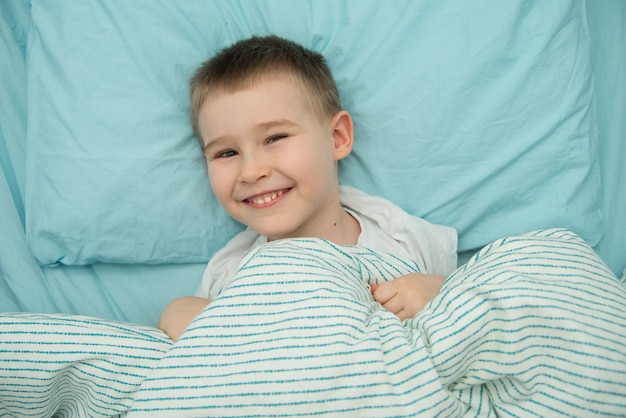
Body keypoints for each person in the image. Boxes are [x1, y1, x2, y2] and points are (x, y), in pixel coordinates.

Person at [158, 35, 457, 340]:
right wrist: (177, 314)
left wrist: (442, 293)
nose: (251, 171)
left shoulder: (404, 240)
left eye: (274, 138)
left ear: (337, 137)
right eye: (226, 153)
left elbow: (479, 310)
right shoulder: (228, 273)